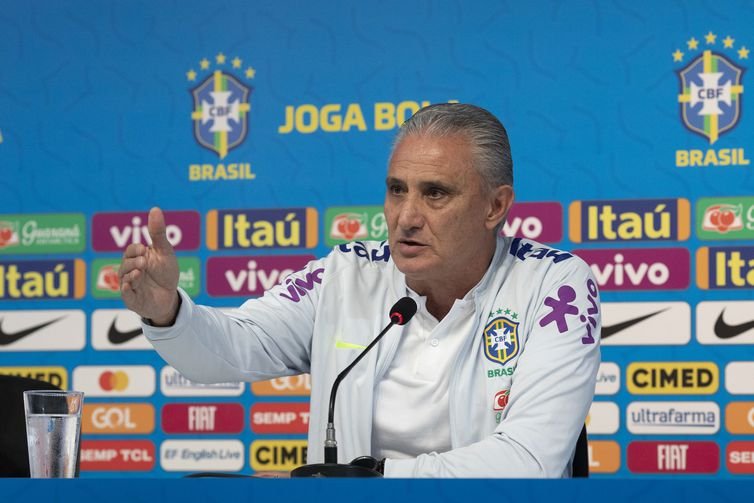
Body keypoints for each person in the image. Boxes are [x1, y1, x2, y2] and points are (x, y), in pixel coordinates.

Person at [119, 103, 601, 478]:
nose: (406, 217)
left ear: (495, 207)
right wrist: (168, 312)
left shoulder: (554, 285)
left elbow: (528, 461)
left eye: (435, 193)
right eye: (397, 190)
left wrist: (368, 480)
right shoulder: (347, 274)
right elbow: (231, 349)